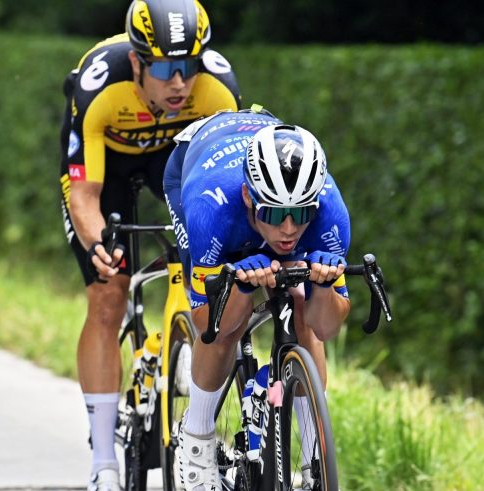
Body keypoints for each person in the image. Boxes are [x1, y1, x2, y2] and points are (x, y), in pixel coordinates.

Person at [57, 1, 241, 489]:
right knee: (108, 291)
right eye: (164, 69)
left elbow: (229, 186)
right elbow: (84, 195)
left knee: (212, 259)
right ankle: (103, 462)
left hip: (175, 158)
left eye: (189, 67)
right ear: (137, 62)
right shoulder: (99, 88)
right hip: (109, 165)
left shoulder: (219, 92)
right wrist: (100, 243)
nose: (179, 83)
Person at [162, 107, 351, 490]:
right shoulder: (208, 207)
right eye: (274, 212)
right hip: (195, 165)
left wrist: (325, 285)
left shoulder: (330, 212)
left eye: (301, 215)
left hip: (253, 156)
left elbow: (326, 327)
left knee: (302, 300)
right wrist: (243, 287)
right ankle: (196, 440)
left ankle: (314, 456)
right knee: (224, 330)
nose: (288, 229)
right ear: (250, 196)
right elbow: (206, 324)